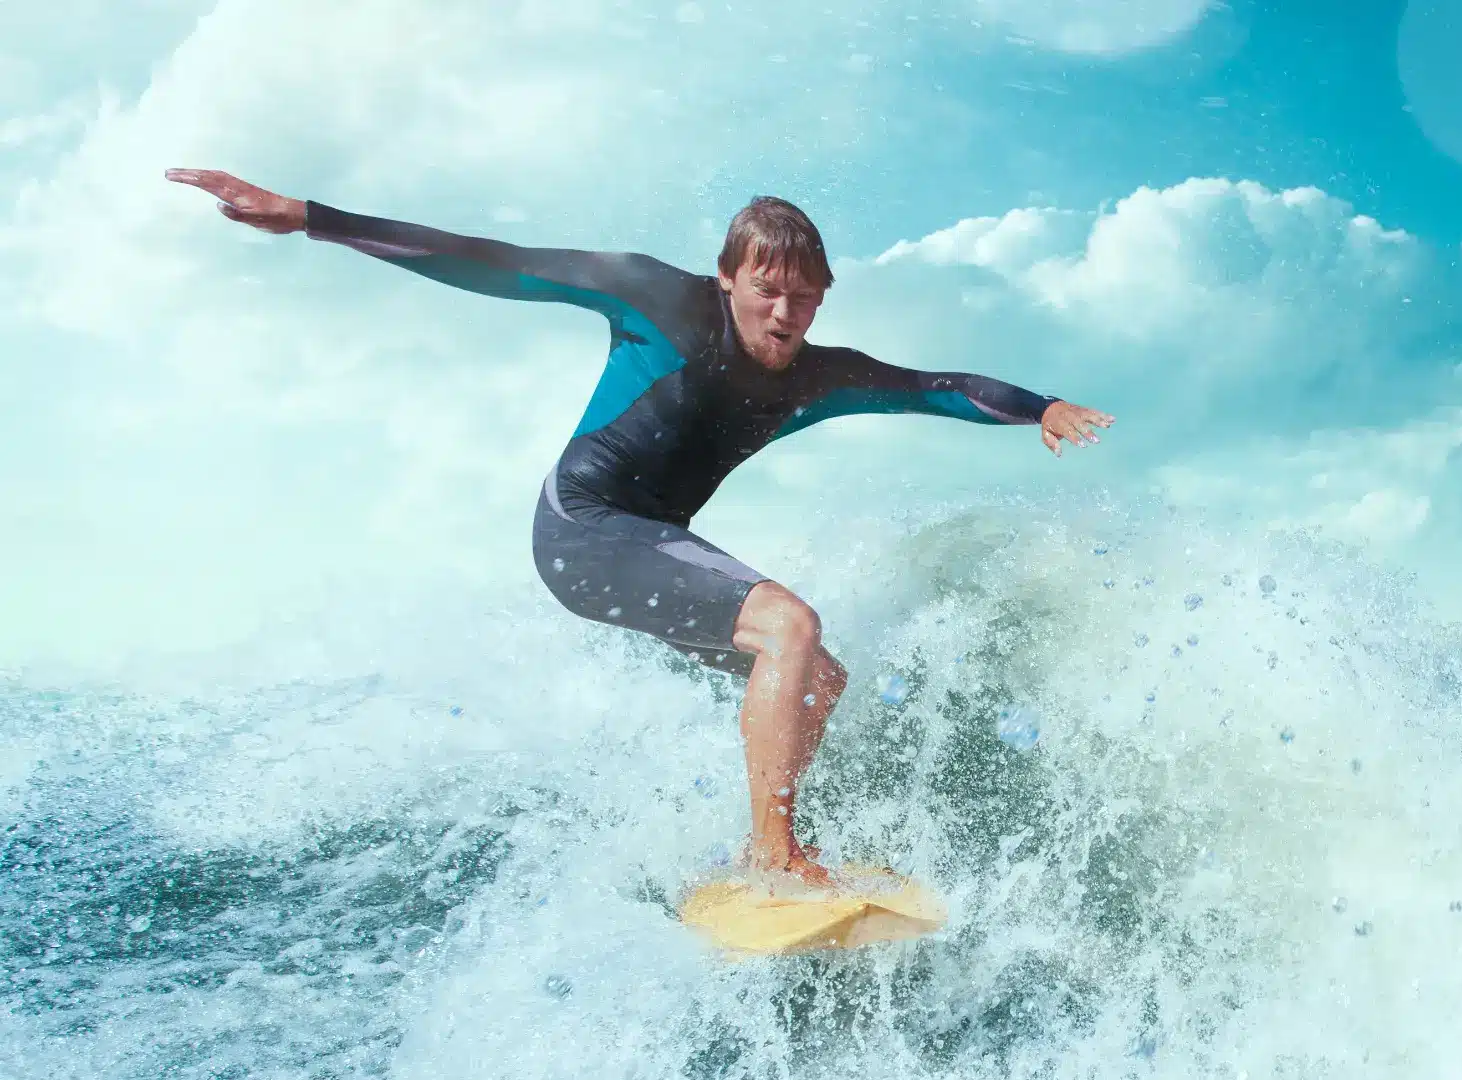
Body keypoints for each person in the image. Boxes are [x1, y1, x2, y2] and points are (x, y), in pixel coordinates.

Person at [164, 168, 1113, 886]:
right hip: (580, 528)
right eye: (766, 289)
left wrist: (1042, 407)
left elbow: (934, 387)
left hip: (652, 542)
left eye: (805, 295)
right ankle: (773, 853)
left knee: (818, 676)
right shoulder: (655, 296)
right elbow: (491, 261)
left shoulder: (818, 376)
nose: (785, 313)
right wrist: (311, 218)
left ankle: (766, 841)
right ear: (727, 278)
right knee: (788, 625)